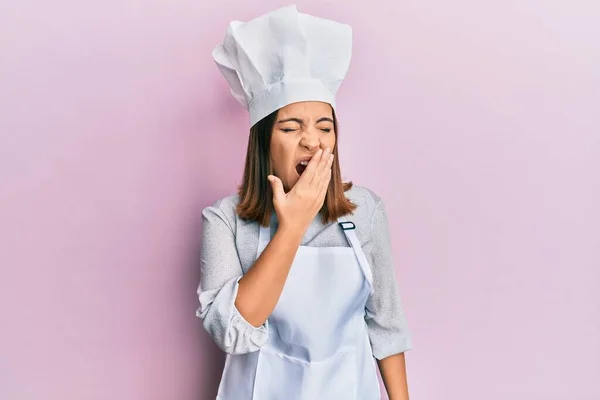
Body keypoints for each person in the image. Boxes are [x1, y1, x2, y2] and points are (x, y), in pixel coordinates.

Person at [196, 5, 413, 399]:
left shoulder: (364, 211)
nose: (312, 141)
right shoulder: (224, 220)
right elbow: (232, 333)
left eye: (324, 127)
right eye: (291, 127)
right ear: (264, 141)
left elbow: (386, 325)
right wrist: (292, 225)